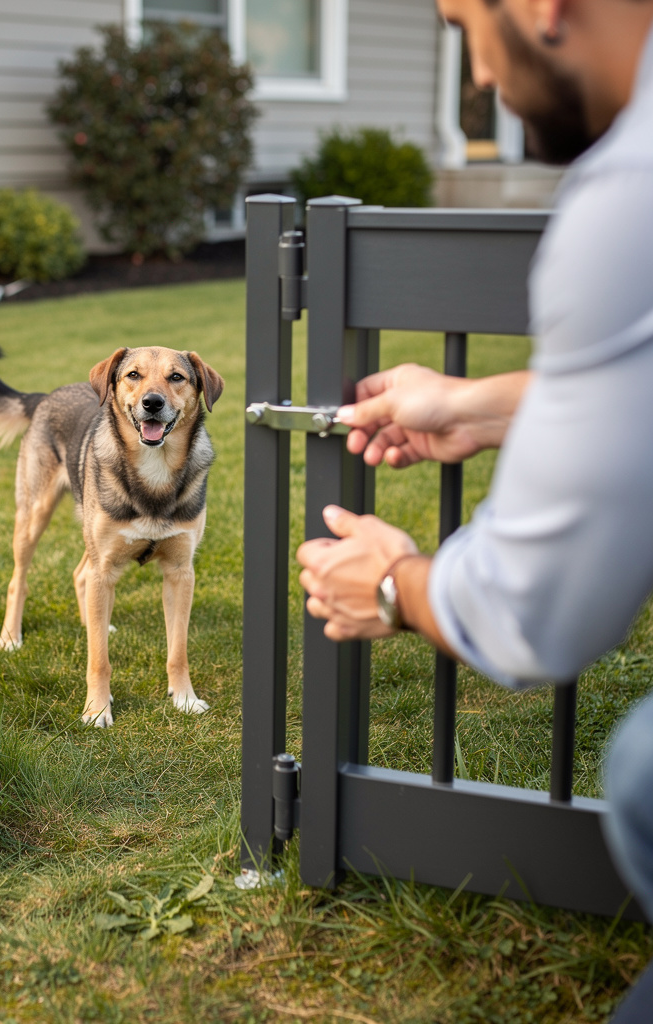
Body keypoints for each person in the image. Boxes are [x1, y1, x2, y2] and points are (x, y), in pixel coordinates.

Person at [295, 1, 653, 1018]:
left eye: (463, 23)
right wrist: (479, 405)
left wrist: (393, 585)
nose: (481, 76)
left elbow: (534, 610)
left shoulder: (628, 195)